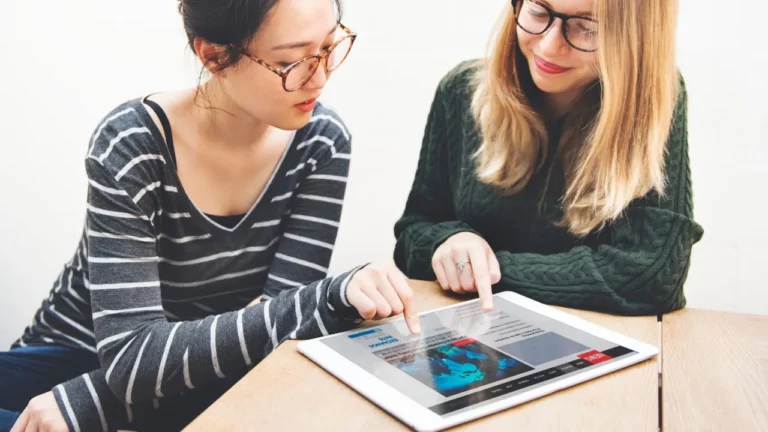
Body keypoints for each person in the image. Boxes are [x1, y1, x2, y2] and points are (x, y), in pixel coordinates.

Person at [2, 1, 420, 431]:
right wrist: (328, 296)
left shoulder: (321, 144)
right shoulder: (132, 145)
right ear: (214, 56)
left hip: (180, 378)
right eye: (291, 61)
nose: (320, 76)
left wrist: (94, 404)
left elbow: (280, 338)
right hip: (68, 362)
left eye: (330, 45)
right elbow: (132, 358)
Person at [394, 0, 703, 315]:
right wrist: (447, 240)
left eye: (587, 28)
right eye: (538, 12)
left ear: (635, 37)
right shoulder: (461, 90)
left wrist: (484, 272)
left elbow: (651, 277)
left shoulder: (653, 100)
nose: (550, 45)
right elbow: (412, 233)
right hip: (466, 329)